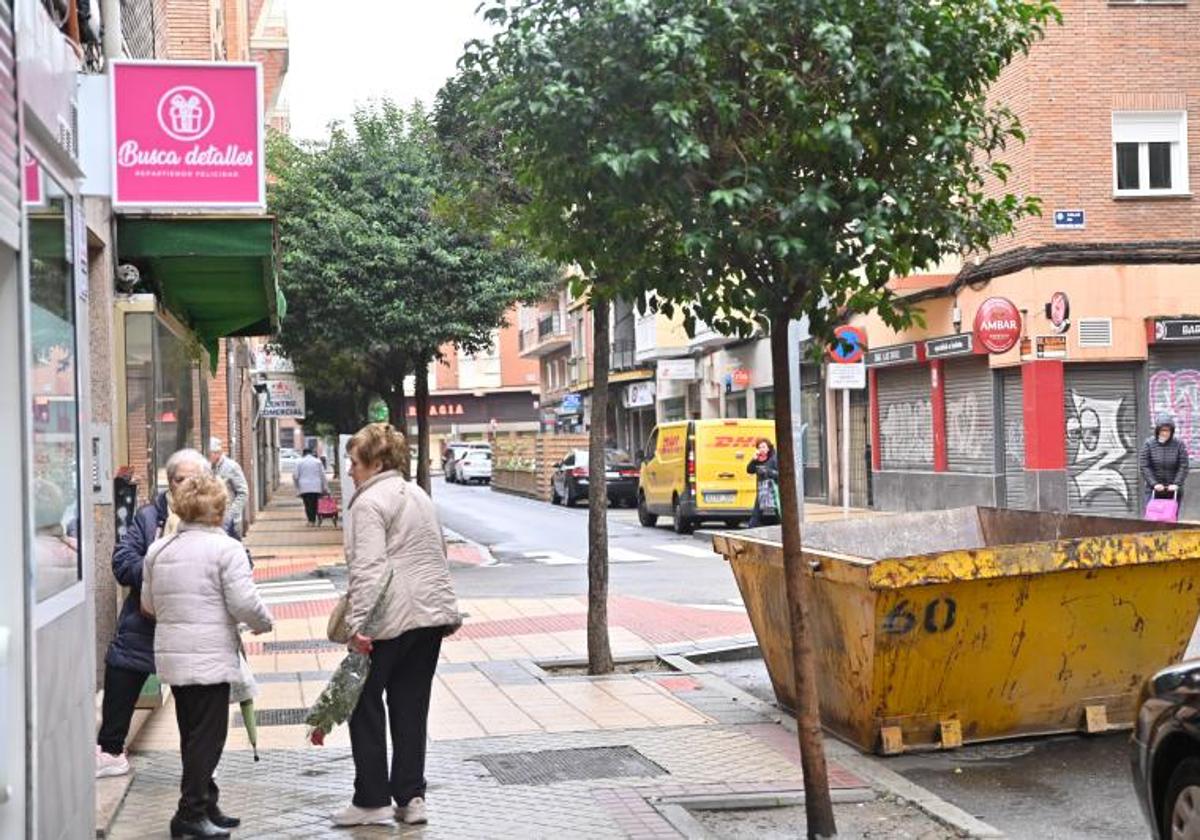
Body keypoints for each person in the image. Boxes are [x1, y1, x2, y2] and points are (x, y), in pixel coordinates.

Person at [331, 423, 461, 828]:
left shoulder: (368, 504)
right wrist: (446, 610)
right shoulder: (419, 495)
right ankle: (411, 797)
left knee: (361, 702)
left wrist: (357, 627)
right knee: (410, 706)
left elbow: (368, 570)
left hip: (388, 620)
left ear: (375, 462)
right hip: (429, 618)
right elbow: (438, 553)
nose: (349, 470)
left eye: (354, 462)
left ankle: (371, 800)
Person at [142, 473, 273, 839]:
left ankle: (207, 803)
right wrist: (264, 622)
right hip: (210, 657)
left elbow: (148, 604)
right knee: (208, 739)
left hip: (175, 658)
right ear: (218, 508)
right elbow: (245, 602)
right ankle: (190, 814)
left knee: (192, 736)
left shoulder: (159, 551)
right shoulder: (226, 549)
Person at [96, 449, 219, 780]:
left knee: (194, 702)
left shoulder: (216, 519)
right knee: (121, 660)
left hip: (191, 626)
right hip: (146, 620)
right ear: (170, 481)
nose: (185, 487)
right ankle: (110, 751)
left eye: (193, 480)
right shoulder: (149, 517)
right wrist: (161, 572)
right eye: (179, 479)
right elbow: (123, 561)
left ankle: (198, 768)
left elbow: (237, 564)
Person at [1140, 413, 1190, 515]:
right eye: (1162, 430)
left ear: (1171, 431)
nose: (1165, 433)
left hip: (1173, 488)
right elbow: (1144, 465)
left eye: (1167, 430)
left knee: (1170, 517)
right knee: (1153, 517)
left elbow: (1183, 465)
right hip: (1153, 488)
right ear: (1157, 431)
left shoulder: (1179, 445)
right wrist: (1154, 483)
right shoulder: (1149, 444)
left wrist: (1176, 483)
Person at [208, 438, 249, 534]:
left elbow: (243, 493)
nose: (207, 457)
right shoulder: (207, 467)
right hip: (212, 521)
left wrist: (230, 515)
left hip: (230, 523)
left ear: (217, 453)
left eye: (209, 454)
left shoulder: (231, 467)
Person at [746, 438, 780, 528]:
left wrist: (767, 472)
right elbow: (749, 470)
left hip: (773, 492)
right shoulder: (758, 460)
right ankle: (751, 530)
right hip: (761, 492)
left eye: (764, 447)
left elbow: (780, 475)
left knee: (777, 515)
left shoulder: (774, 459)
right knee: (756, 516)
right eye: (759, 447)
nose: (761, 449)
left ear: (768, 448)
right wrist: (753, 460)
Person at [294, 447, 328, 526]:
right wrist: (325, 487)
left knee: (307, 504)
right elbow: (323, 475)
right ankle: (314, 519)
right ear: (311, 453)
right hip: (316, 486)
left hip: (304, 487)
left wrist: (297, 487)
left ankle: (310, 521)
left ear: (303, 453)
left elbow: (295, 476)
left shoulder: (299, 462)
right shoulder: (317, 461)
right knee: (315, 503)